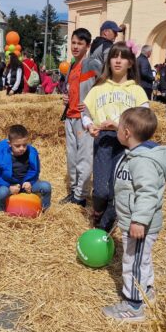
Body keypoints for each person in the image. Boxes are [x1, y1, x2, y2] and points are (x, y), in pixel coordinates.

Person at [102, 107, 166, 322]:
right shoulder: (137, 154)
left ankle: (133, 307)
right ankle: (146, 291)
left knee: (132, 261)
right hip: (133, 220)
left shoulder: (143, 161)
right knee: (141, 259)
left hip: (140, 224)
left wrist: (139, 221)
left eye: (119, 126)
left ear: (126, 133)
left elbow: (147, 193)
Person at [82, 41, 150, 231]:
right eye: (114, 56)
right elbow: (85, 112)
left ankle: (104, 229)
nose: (118, 61)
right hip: (104, 141)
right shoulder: (98, 88)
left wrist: (119, 125)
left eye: (123, 57)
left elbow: (145, 118)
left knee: (116, 189)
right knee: (102, 191)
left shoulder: (136, 90)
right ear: (109, 61)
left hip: (128, 145)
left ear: (130, 63)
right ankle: (98, 213)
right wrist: (89, 126)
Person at [61, 28, 96, 207]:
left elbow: (102, 87)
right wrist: (65, 97)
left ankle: (81, 196)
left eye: (80, 44)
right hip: (70, 117)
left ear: (87, 46)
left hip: (84, 119)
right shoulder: (72, 65)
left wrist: (91, 105)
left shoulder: (92, 64)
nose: (75, 46)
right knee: (72, 157)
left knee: (84, 158)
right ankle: (75, 192)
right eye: (73, 43)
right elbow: (70, 88)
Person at [0, 124, 52, 212]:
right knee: (1, 192)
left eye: (24, 145)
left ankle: (45, 210)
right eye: (17, 146)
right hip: (8, 185)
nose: (22, 148)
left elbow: (35, 171)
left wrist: (30, 182)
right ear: (9, 144)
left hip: (25, 185)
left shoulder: (32, 153)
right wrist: (9, 187)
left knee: (46, 186)